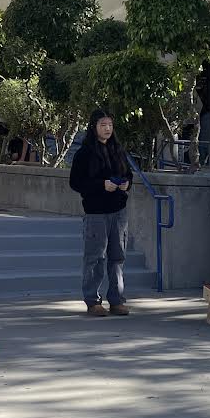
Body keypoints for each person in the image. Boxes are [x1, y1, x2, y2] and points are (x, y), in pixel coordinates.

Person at [68, 109, 133, 317]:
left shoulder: (118, 150)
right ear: (94, 127)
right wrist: (100, 185)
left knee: (118, 256)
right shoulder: (84, 153)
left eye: (110, 125)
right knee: (95, 257)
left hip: (119, 211)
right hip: (96, 212)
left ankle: (117, 300)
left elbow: (128, 174)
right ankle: (93, 300)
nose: (107, 129)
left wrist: (126, 184)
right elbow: (75, 182)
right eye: (103, 125)